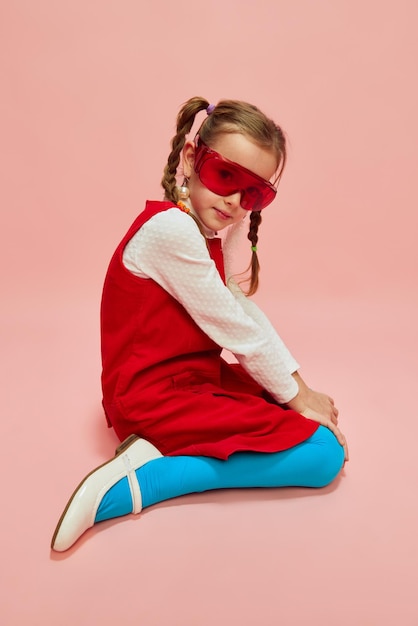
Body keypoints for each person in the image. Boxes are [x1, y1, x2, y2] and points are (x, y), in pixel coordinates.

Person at [51, 97, 348, 552]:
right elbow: (236, 329)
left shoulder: (197, 232)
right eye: (225, 176)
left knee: (281, 401)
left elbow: (238, 306)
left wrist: (299, 391)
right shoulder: (171, 231)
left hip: (192, 379)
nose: (233, 200)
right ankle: (147, 479)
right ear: (192, 159)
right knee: (324, 455)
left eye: (253, 193)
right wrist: (302, 397)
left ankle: (161, 454)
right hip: (152, 397)